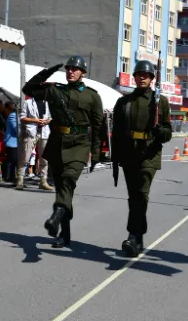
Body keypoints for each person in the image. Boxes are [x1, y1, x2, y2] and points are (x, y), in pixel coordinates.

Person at [22, 55, 104, 249]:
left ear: (83, 73)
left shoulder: (92, 96)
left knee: (68, 181)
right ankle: (64, 234)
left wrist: (96, 153)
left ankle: (55, 216)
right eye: (68, 68)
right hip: (57, 144)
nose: (70, 71)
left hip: (79, 145)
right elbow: (28, 89)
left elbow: (98, 127)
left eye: (75, 69)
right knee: (62, 189)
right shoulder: (55, 90)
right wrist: (48, 71)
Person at [111, 60, 172, 257]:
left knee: (141, 194)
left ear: (152, 78)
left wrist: (161, 131)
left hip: (149, 154)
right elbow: (117, 133)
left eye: (146, 75)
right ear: (135, 77)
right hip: (129, 153)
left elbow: (168, 132)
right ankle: (138, 239)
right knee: (134, 197)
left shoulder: (160, 101)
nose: (142, 78)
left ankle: (132, 235)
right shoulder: (124, 102)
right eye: (139, 75)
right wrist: (115, 157)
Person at [16, 91, 52, 190]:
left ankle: (43, 181)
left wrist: (46, 121)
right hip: (31, 132)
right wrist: (35, 120)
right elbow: (22, 117)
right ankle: (20, 180)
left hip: (44, 132)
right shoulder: (28, 102)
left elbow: (50, 117)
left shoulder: (47, 103)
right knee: (25, 156)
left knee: (44, 159)